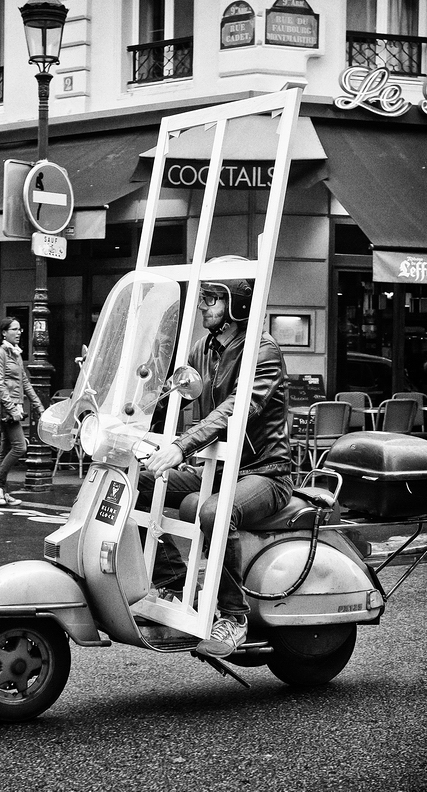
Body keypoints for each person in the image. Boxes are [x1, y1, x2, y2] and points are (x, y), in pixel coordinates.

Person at [139, 261, 293, 659]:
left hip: (265, 472)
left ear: (237, 303)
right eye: (204, 297)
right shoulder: (203, 348)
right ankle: (174, 582)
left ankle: (234, 617)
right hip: (217, 467)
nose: (203, 305)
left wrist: (181, 446)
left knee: (214, 511)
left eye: (212, 298)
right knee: (135, 481)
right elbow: (173, 391)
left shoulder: (263, 351)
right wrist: (133, 419)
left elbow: (235, 408)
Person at [0, 317, 45, 505]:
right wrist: (11, 408)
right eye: (15, 329)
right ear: (4, 332)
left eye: (20, 329)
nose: (19, 333)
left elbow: (25, 382)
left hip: (15, 406)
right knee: (20, 447)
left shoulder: (16, 353)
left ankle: (1, 492)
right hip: (5, 407)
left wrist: (38, 406)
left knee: (5, 451)